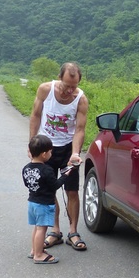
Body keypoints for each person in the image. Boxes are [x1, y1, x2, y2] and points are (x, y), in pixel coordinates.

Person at [29, 62, 89, 251]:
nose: (69, 91)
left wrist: (75, 153)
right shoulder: (45, 90)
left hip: (67, 149)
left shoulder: (80, 99)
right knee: (49, 191)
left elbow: (79, 129)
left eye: (74, 86)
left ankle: (73, 232)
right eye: (66, 86)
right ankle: (55, 231)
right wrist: (32, 145)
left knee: (71, 191)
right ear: (59, 78)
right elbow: (35, 115)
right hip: (46, 148)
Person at [23, 135, 71, 264]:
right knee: (42, 229)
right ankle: (39, 255)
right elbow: (55, 185)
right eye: (50, 151)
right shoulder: (47, 170)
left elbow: (27, 184)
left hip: (32, 202)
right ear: (44, 154)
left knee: (36, 228)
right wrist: (65, 176)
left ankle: (34, 250)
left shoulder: (26, 168)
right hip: (44, 204)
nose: (51, 153)